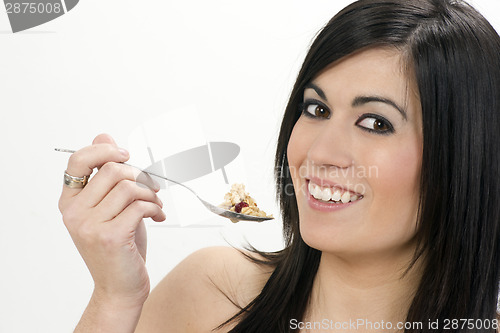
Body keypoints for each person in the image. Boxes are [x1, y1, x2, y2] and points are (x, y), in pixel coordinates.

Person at [58, 0, 500, 332]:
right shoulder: (211, 294)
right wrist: (115, 298)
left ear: (463, 157)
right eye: (317, 110)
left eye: (375, 122)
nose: (320, 152)